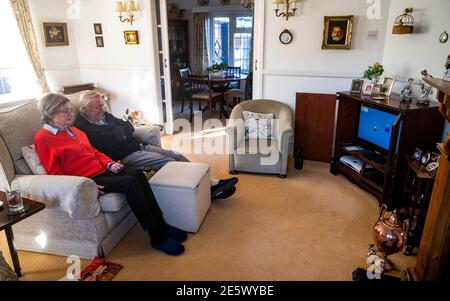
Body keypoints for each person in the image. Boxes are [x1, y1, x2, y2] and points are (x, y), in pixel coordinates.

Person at [35, 93, 186, 256]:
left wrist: (110, 163)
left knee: (137, 174)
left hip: (101, 169)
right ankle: (157, 237)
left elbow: (94, 151)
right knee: (130, 183)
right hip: (88, 180)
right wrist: (84, 186)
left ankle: (162, 225)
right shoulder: (43, 139)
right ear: (50, 114)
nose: (71, 115)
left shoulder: (72, 130)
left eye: (70, 110)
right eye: (65, 111)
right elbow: (55, 175)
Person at [73, 91, 238, 200]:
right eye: (96, 106)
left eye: (101, 104)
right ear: (84, 109)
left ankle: (211, 182)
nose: (101, 108)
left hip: (137, 146)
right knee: (166, 162)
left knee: (175, 154)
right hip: (124, 157)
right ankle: (205, 190)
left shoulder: (105, 115)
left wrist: (119, 132)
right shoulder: (82, 126)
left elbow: (128, 127)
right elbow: (109, 140)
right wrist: (119, 132)